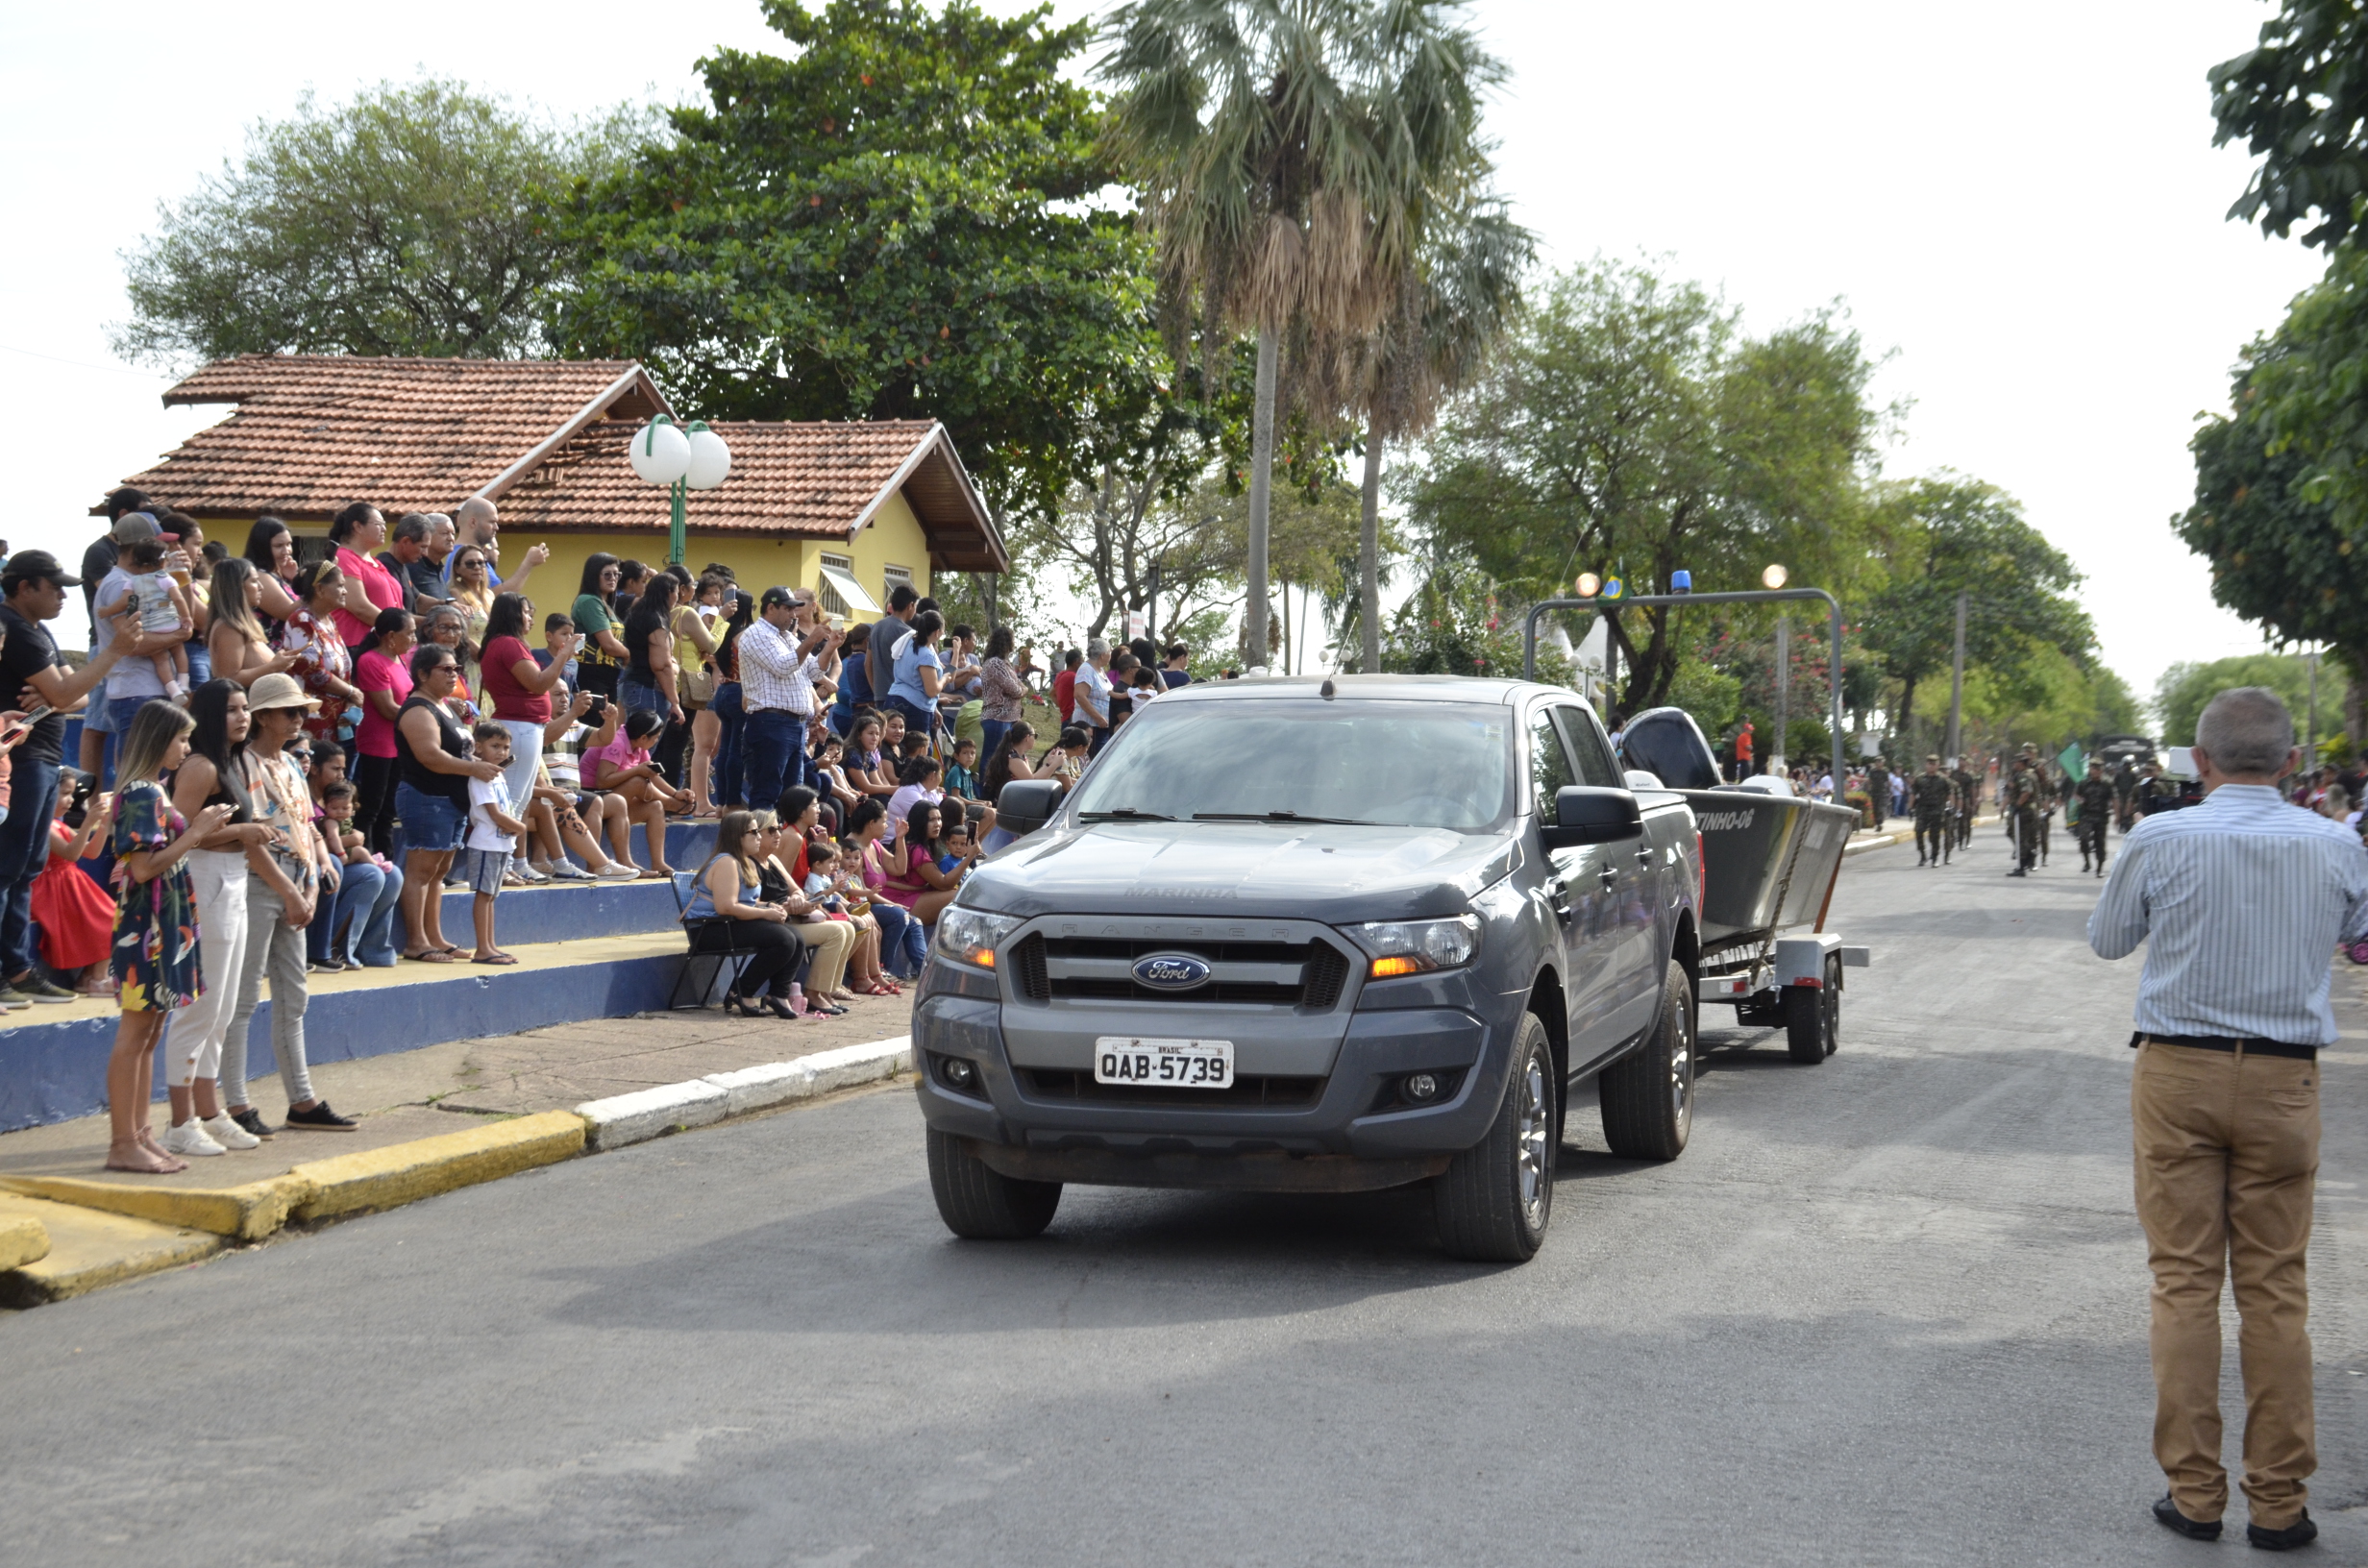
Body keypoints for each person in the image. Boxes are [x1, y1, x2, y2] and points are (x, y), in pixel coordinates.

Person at [2088, 688, 2363, 1553]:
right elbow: (2359, 936)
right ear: (2290, 764)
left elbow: (2108, 940)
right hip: (2286, 1081)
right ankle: (2280, 1505)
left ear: (2197, 762)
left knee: (2184, 1282)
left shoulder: (2162, 835)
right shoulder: (2336, 841)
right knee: (2276, 1289)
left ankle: (2196, 1495)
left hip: (2177, 1072)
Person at [0, 551, 158, 1007]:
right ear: (25, 587)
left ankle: (17, 969)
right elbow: (73, 688)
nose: (65, 596)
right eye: (55, 587)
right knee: (8, 867)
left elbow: (79, 696)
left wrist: (54, 698)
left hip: (42, 759)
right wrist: (113, 651)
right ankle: (8, 970)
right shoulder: (15, 629)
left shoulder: (36, 630)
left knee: (25, 868)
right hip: (24, 760)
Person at [217, 673, 355, 1134]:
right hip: (263, 884)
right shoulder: (242, 764)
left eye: (300, 711)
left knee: (293, 996)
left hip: (291, 882)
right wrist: (298, 890)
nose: (299, 718)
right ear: (264, 717)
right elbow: (253, 842)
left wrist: (311, 883)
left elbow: (308, 826)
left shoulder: (292, 765)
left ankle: (301, 1099)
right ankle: (236, 1102)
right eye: (290, 711)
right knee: (242, 997)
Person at [104, 701, 237, 1172]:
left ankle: (139, 1133)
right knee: (136, 1030)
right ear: (159, 738)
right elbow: (142, 869)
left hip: (166, 922)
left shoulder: (154, 791)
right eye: (181, 739)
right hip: (147, 926)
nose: (186, 748)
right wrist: (197, 832)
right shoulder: (142, 792)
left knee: (151, 1030)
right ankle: (123, 1141)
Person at [163, 682, 278, 1151]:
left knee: (224, 1009)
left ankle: (210, 1112)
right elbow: (175, 833)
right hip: (205, 880)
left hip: (233, 879)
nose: (243, 717)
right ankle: (180, 1123)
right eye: (232, 710)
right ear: (212, 715)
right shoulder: (201, 766)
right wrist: (242, 829)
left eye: (246, 708)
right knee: (200, 1009)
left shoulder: (231, 763)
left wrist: (250, 833)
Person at [395, 644, 502, 962]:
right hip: (427, 797)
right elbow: (429, 755)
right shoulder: (418, 709)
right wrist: (474, 768)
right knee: (421, 871)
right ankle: (416, 941)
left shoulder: (443, 706)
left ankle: (435, 937)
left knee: (439, 872)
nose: (454, 674)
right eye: (446, 669)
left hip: (450, 799)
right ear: (422, 674)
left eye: (456, 669)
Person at [683, 810, 812, 1019]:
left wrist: (770, 905)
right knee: (783, 938)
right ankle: (742, 991)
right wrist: (766, 915)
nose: (759, 837)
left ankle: (778, 995)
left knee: (796, 937)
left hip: (729, 923)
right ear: (737, 836)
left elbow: (745, 903)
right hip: (709, 929)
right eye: (754, 832)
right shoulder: (727, 862)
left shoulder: (743, 861)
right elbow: (726, 907)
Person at [479, 592, 567, 881]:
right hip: (519, 727)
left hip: (523, 726)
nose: (530, 617)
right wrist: (564, 655)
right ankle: (502, 867)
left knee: (521, 798)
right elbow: (539, 682)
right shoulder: (508, 644)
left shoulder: (503, 643)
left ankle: (512, 864)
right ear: (514, 615)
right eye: (526, 612)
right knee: (513, 802)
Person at [739, 585, 841, 814]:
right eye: (788, 609)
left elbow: (815, 672)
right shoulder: (756, 634)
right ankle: (761, 847)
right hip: (770, 723)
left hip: (793, 726)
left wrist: (830, 647)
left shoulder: (786, 637)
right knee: (767, 794)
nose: (794, 614)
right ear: (771, 608)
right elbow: (783, 666)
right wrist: (812, 640)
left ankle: (783, 846)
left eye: (795, 609)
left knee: (793, 798)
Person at [303, 743, 403, 970]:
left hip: (341, 862)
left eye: (343, 769)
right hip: (322, 865)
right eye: (335, 769)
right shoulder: (306, 798)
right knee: (371, 876)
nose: (341, 775)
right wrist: (348, 842)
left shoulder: (338, 796)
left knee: (393, 875)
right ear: (316, 769)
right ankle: (332, 948)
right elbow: (309, 841)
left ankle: (370, 950)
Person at [31, 770, 113, 996]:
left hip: (72, 884)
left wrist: (105, 825)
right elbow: (71, 854)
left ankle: (90, 976)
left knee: (111, 917)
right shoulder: (41, 826)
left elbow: (92, 852)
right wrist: (88, 822)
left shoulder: (59, 825)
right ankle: (97, 978)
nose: (71, 800)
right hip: (54, 887)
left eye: (72, 794)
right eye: (65, 793)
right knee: (107, 918)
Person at [460, 722, 530, 965]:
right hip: (486, 844)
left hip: (500, 844)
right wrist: (520, 827)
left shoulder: (498, 775)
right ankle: (482, 948)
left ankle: (490, 945)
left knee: (491, 896)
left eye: (506, 747)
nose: (502, 752)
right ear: (478, 748)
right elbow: (495, 815)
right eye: (495, 746)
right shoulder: (481, 777)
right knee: (484, 895)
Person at [586, 707, 687, 875]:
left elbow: (652, 774)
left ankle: (658, 863)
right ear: (643, 737)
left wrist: (675, 793)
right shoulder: (617, 743)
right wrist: (636, 771)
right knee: (637, 781)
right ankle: (671, 805)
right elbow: (602, 781)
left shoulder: (637, 744)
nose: (656, 741)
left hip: (613, 802)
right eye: (655, 738)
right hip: (592, 798)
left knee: (655, 807)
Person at [98, 536, 196, 701]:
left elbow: (123, 603)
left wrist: (106, 611)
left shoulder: (131, 582)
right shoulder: (166, 579)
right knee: (179, 651)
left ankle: (173, 689)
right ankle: (184, 682)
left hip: (151, 627)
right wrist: (185, 617)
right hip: (170, 623)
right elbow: (178, 599)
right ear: (162, 562)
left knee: (161, 660)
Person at [281, 560, 364, 746]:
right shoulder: (302, 620)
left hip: (336, 718)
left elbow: (343, 667)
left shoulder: (328, 621)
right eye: (340, 586)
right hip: (313, 719)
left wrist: (350, 701)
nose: (345, 591)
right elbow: (312, 672)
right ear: (319, 589)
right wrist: (351, 692)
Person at [674, 575, 727, 814]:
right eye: (711, 592)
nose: (716, 597)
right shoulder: (690, 613)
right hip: (692, 680)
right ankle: (699, 802)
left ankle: (693, 799)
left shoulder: (680, 613)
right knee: (701, 747)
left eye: (720, 592)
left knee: (707, 747)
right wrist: (723, 620)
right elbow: (711, 646)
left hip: (696, 680)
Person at [205, 556, 299, 690]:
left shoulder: (240, 623)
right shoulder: (229, 627)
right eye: (254, 582)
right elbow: (229, 679)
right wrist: (274, 666)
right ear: (237, 587)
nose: (261, 587)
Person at [619, 574, 686, 727]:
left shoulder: (637, 614)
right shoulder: (656, 620)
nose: (678, 597)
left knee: (634, 745)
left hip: (631, 684)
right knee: (645, 745)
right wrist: (675, 702)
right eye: (677, 592)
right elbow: (661, 665)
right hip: (649, 689)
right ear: (669, 593)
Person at [443, 495, 547, 593]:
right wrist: (528, 563)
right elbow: (500, 596)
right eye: (492, 522)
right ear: (473, 522)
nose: (496, 527)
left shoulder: (457, 553)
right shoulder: (468, 558)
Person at [571, 553, 629, 701]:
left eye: (617, 574)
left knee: (607, 722)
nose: (613, 578)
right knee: (593, 723)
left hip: (608, 675)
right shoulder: (589, 601)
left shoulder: (604, 603)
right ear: (593, 576)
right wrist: (628, 655)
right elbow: (609, 644)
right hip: (591, 673)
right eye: (607, 574)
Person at [977, 625, 1024, 768]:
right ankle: (985, 789)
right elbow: (1016, 690)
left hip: (1007, 719)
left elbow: (1019, 685)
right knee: (991, 758)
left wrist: (1022, 688)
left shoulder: (1005, 664)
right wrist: (1024, 690)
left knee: (1000, 760)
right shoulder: (995, 663)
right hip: (998, 717)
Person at [378, 514, 440, 608]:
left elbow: (418, 599)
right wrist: (434, 622)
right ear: (405, 541)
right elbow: (398, 614)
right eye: (423, 547)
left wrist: (448, 605)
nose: (425, 554)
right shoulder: (385, 567)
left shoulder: (402, 565)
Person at [1909, 754, 1953, 867]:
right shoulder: (1919, 779)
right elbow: (1913, 794)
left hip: (1937, 810)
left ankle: (1935, 857)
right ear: (1926, 765)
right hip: (1922, 809)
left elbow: (1950, 794)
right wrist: (1910, 808)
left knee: (1934, 835)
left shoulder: (1943, 780)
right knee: (1918, 831)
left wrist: (1950, 807)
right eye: (1929, 764)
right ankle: (1923, 855)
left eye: (1934, 764)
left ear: (1938, 765)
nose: (1931, 766)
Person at [2075, 763, 2115, 877]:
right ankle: (2087, 861)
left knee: (2100, 842)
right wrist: (2080, 800)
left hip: (2101, 816)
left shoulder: (2107, 784)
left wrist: (2117, 815)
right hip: (2086, 815)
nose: (2096, 771)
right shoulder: (2084, 783)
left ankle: (2099, 868)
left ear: (2101, 771)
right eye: (2093, 769)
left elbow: (2114, 798)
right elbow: (2076, 794)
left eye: (2098, 769)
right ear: (2090, 770)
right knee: (2083, 838)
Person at [1073, 638, 1113, 755]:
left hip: (1100, 726)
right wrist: (1098, 717)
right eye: (1110, 652)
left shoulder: (1100, 670)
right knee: (1093, 760)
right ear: (1103, 655)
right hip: (1091, 727)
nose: (1111, 655)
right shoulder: (1087, 670)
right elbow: (1079, 695)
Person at [1052, 647, 1081, 724]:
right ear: (1076, 662)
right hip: (1072, 718)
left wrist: (1062, 707)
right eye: (1082, 661)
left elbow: (1052, 694)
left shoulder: (1060, 675)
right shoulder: (1073, 677)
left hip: (1065, 717)